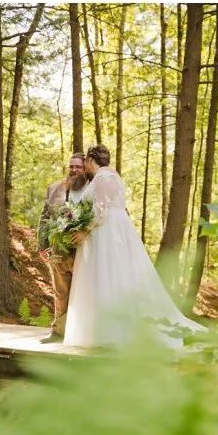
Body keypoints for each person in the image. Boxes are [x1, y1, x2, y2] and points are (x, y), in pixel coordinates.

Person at [64, 144, 204, 348]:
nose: (84, 164)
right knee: (113, 276)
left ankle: (112, 334)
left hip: (106, 233)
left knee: (107, 275)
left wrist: (84, 230)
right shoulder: (112, 177)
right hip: (115, 230)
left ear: (91, 160)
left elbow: (101, 209)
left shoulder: (104, 178)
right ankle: (104, 330)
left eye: (85, 160)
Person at [37, 153, 91, 343]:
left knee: (85, 293)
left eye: (79, 167)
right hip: (58, 252)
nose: (74, 170)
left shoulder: (93, 189)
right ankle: (58, 332)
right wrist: (42, 245)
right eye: (72, 166)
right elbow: (44, 218)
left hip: (85, 252)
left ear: (86, 169)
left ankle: (84, 334)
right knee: (61, 293)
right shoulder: (54, 189)